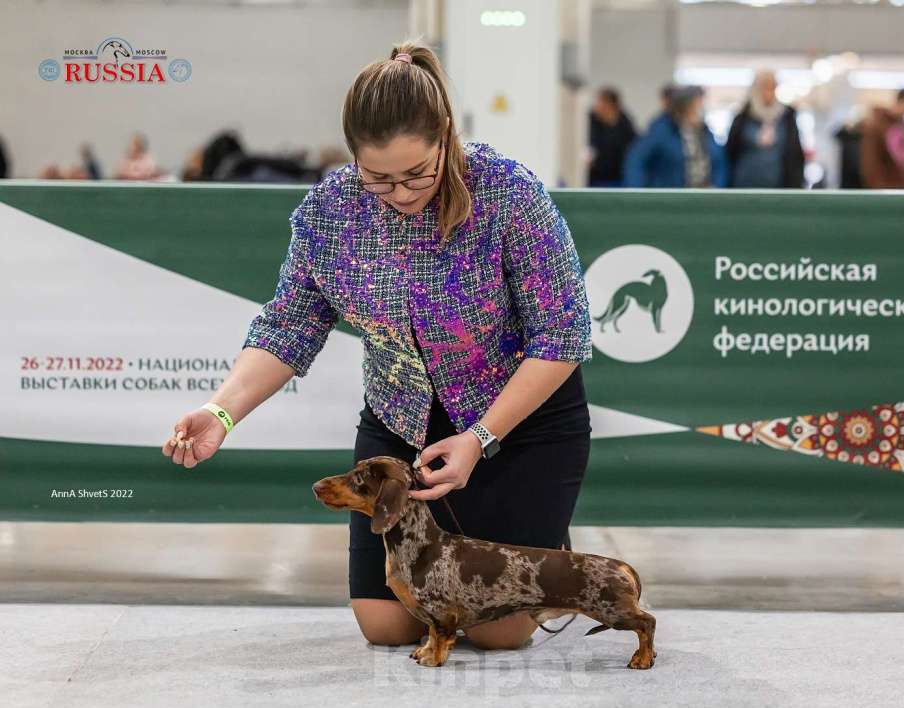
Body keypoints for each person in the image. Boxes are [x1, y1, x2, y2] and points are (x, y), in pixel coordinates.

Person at [161, 41, 593, 652]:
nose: (400, 192)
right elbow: (290, 324)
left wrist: (481, 438)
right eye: (378, 177)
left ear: (445, 137)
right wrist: (221, 412)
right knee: (386, 626)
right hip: (400, 421)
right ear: (352, 158)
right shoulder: (331, 211)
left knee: (497, 632)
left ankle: (538, 544)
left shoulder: (509, 194)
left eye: (417, 173)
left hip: (518, 424)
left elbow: (563, 335)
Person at [622, 85, 727, 188]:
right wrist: (638, 192)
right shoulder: (662, 129)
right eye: (696, 106)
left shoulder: (705, 132)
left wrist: (717, 186)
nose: (700, 110)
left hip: (703, 197)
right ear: (684, 107)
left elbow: (719, 162)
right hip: (671, 197)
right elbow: (636, 160)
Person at [725, 70, 805, 188]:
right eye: (764, 87)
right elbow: (730, 151)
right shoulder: (742, 117)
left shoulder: (787, 116)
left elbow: (796, 154)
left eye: (772, 87)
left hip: (779, 185)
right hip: (744, 184)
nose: (769, 92)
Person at [860, 88, 904, 189]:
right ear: (902, 102)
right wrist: (878, 186)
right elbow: (870, 162)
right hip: (885, 190)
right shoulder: (877, 126)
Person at [587, 86, 636, 187]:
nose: (596, 106)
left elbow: (633, 151)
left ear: (610, 104)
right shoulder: (589, 122)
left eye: (600, 102)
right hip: (594, 180)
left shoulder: (626, 126)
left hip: (619, 180)